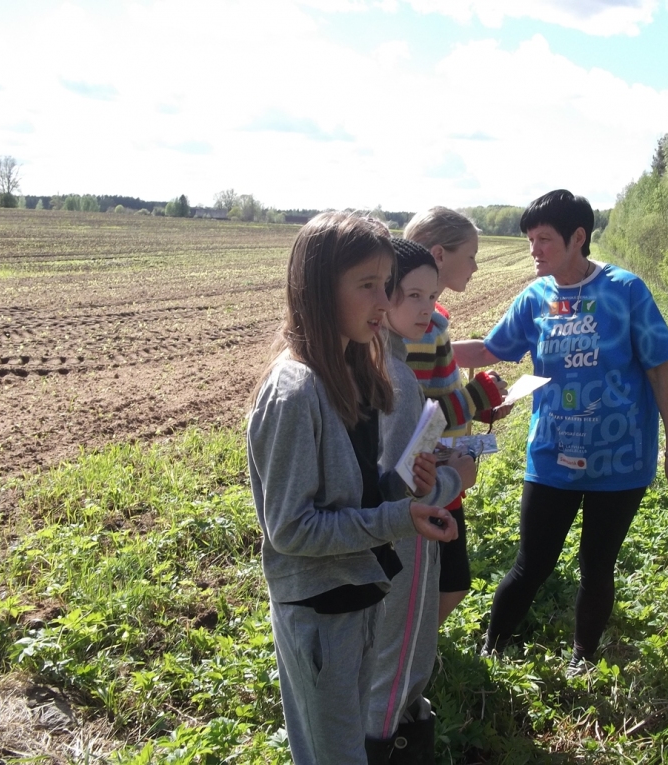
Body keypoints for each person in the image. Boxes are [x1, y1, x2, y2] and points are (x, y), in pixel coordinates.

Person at [452, 189, 668, 673]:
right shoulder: (535, 298)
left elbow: (659, 373)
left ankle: (582, 661)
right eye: (530, 240)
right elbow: (488, 351)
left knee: (597, 569)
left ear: (578, 238)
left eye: (544, 239)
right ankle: (491, 651)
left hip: (621, 463)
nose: (534, 250)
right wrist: (417, 341)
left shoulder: (626, 291)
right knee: (531, 565)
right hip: (550, 460)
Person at [247, 212, 458, 765]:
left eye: (386, 285)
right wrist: (396, 519)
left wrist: (404, 487)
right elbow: (291, 528)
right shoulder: (295, 393)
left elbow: (356, 495)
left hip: (359, 597)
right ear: (318, 290)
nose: (384, 303)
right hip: (321, 615)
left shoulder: (352, 372)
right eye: (368, 286)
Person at [365, 238, 478, 763]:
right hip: (403, 548)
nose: (424, 310)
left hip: (380, 542)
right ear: (382, 297)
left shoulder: (372, 367)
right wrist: (457, 479)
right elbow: (402, 484)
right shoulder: (398, 381)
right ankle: (390, 743)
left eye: (430, 298)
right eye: (411, 295)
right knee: (401, 655)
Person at [402, 207, 510, 624]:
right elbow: (420, 416)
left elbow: (437, 395)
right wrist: (476, 396)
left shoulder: (433, 318)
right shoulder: (423, 326)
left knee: (448, 580)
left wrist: (478, 404)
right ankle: (415, 654)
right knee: (450, 581)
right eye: (471, 255)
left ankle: (417, 652)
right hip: (429, 471)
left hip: (442, 462)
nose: (477, 266)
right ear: (438, 255)